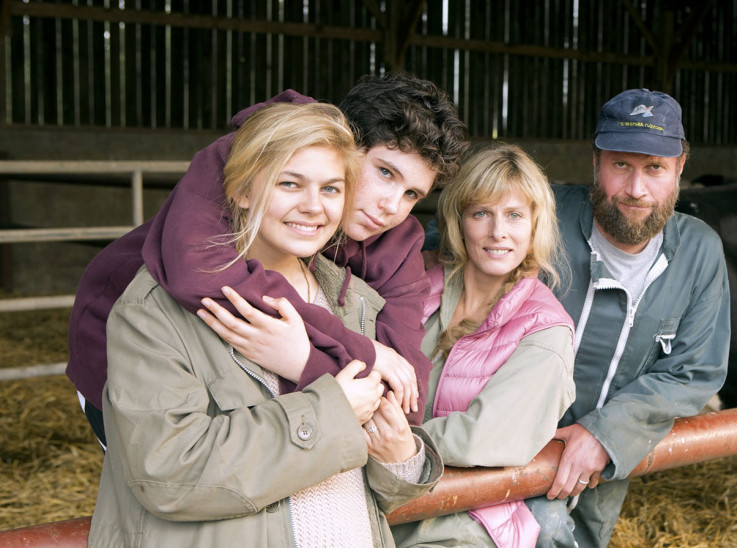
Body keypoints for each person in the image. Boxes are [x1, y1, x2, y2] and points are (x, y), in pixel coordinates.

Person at [89, 102, 443, 548]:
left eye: (332, 189)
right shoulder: (155, 310)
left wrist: (402, 461)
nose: (313, 206)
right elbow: (167, 473)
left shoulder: (356, 301)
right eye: (289, 183)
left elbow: (385, 465)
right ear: (241, 189)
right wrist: (330, 410)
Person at [67, 72, 469, 446]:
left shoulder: (397, 242)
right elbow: (201, 276)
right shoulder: (258, 156)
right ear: (344, 141)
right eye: (385, 173)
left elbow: (406, 385)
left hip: (250, 384)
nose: (391, 207)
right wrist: (361, 353)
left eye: (413, 195)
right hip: (127, 353)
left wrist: (306, 363)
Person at [523, 89, 732, 547]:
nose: (636, 189)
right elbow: (447, 258)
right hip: (508, 450)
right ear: (595, 162)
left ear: (679, 169)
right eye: (621, 165)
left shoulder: (698, 253)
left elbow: (694, 372)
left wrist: (604, 434)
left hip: (604, 468)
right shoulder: (537, 216)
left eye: (654, 168)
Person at [391, 144, 575, 548]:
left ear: (534, 225)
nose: (498, 232)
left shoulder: (545, 330)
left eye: (514, 215)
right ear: (460, 221)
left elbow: (484, 438)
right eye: (481, 214)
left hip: (467, 520)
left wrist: (380, 438)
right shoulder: (415, 283)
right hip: (387, 496)